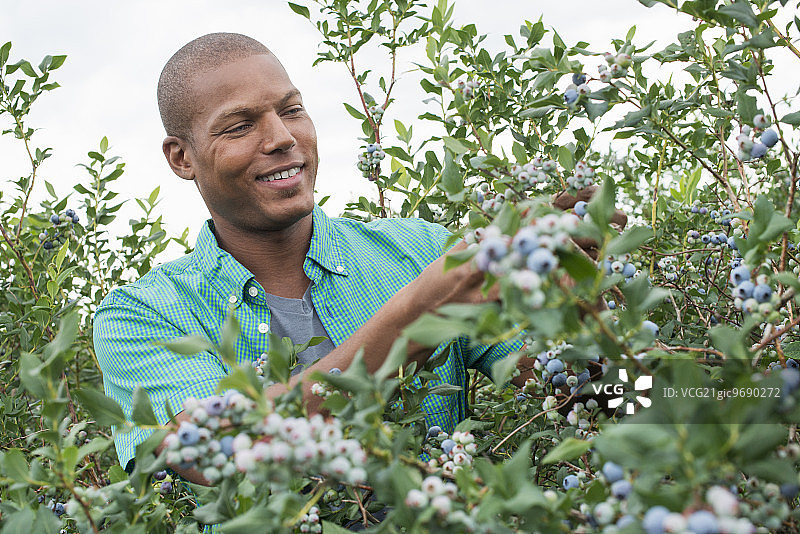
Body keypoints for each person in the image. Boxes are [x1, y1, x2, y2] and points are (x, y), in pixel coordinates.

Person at [93, 32, 530, 484]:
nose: (282, 137)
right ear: (182, 158)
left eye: (291, 110)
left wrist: (584, 299)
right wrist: (419, 316)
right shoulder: (142, 315)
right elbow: (222, 457)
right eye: (240, 125)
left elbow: (599, 394)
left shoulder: (421, 250)